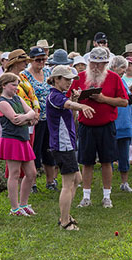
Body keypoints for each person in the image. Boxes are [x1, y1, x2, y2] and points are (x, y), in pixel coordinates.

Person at [67, 47, 128, 208]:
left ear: (106, 64)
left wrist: (103, 99)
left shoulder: (114, 78)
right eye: (93, 63)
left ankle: (107, 196)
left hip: (106, 125)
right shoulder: (79, 77)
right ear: (89, 63)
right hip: (86, 126)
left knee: (107, 161)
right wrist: (75, 98)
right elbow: (68, 100)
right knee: (87, 162)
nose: (96, 67)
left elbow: (124, 101)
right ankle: (86, 196)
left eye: (100, 64)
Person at [47, 66, 95, 229]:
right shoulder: (55, 96)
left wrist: (75, 102)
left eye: (70, 80)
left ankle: (65, 215)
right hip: (62, 145)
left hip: (67, 144)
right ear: (56, 79)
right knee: (68, 183)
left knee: (77, 179)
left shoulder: (61, 96)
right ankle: (65, 221)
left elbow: (69, 113)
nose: (69, 83)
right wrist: (82, 106)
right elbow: (67, 106)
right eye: (66, 79)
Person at [0, 73, 37, 216]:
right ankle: (14, 208)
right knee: (14, 173)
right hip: (11, 140)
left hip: (23, 139)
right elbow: (14, 120)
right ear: (4, 85)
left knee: (31, 173)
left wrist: (26, 117)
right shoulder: (2, 103)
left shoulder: (18, 98)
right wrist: (29, 119)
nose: (16, 88)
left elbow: (32, 112)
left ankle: (24, 204)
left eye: (17, 84)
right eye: (13, 84)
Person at [22, 47, 57, 193]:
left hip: (49, 117)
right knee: (34, 150)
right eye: (38, 60)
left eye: (43, 59)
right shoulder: (24, 76)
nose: (41, 62)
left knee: (49, 150)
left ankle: (51, 181)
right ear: (31, 60)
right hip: (34, 119)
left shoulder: (49, 73)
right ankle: (32, 183)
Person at [110, 56, 132, 192]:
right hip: (113, 122)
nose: (124, 71)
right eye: (122, 68)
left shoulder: (123, 81)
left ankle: (124, 182)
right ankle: (107, 184)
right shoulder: (108, 81)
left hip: (124, 122)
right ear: (114, 67)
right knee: (109, 154)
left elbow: (128, 103)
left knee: (124, 155)